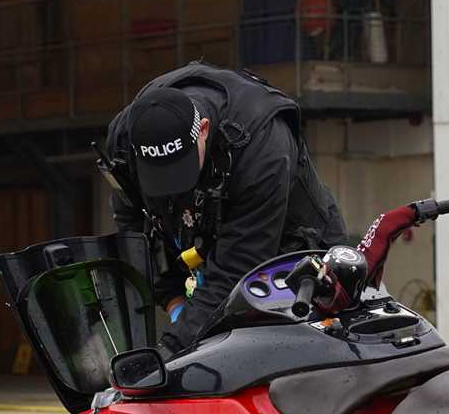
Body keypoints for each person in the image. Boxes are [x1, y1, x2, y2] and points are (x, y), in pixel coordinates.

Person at [101, 61, 347, 358]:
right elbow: (134, 231)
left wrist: (170, 351)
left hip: (293, 252)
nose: (173, 188)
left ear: (202, 130)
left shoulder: (262, 146)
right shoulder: (124, 140)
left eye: (179, 171)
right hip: (203, 239)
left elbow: (237, 269)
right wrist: (173, 301)